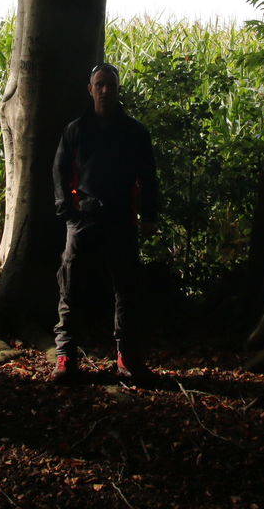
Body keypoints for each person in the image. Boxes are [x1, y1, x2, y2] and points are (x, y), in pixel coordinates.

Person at [50, 62, 160, 385]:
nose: (105, 90)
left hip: (121, 219)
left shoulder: (134, 132)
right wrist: (67, 211)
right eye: (99, 85)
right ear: (91, 89)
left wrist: (149, 215)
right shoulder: (76, 130)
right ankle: (65, 355)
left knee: (126, 291)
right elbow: (59, 171)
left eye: (110, 85)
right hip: (83, 219)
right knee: (70, 288)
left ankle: (127, 357)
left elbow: (148, 176)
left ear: (117, 88)